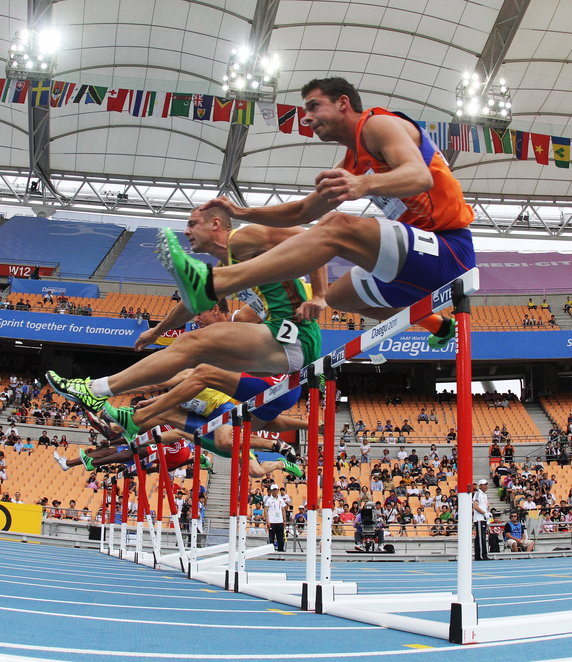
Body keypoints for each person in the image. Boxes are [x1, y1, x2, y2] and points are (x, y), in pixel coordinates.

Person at [156, 77, 475, 350]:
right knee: (340, 298)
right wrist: (242, 210)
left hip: (450, 250)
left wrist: (363, 184)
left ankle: (214, 282)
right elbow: (302, 210)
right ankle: (439, 326)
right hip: (416, 264)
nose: (307, 118)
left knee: (336, 224)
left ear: (343, 103)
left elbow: (421, 176)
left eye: (314, 106)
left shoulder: (379, 125)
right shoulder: (351, 161)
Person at [46, 205, 325, 412]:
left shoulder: (243, 238)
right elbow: (192, 306)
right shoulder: (226, 267)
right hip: (284, 343)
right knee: (194, 361)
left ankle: (96, 390)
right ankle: (101, 392)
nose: (186, 231)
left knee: (191, 341)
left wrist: (320, 296)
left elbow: (316, 239)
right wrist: (156, 331)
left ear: (216, 224)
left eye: (192, 224)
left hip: (296, 334)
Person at [264, 484, 287, 552]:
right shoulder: (268, 499)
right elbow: (265, 511)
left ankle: (281, 551)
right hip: (272, 521)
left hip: (279, 521)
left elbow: (283, 509)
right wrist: (267, 521)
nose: (275, 491)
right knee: (272, 538)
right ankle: (271, 552)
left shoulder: (280, 499)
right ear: (271, 491)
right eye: (273, 490)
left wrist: (284, 520)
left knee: (280, 538)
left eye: (276, 490)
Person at [473, 479, 491, 561]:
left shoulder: (484, 495)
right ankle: (482, 555)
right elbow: (475, 506)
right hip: (479, 519)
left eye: (486, 484)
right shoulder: (477, 494)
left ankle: (480, 555)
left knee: (481, 537)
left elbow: (485, 506)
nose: (486, 486)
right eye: (484, 484)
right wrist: (484, 513)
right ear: (480, 485)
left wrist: (488, 512)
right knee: (481, 538)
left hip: (483, 518)